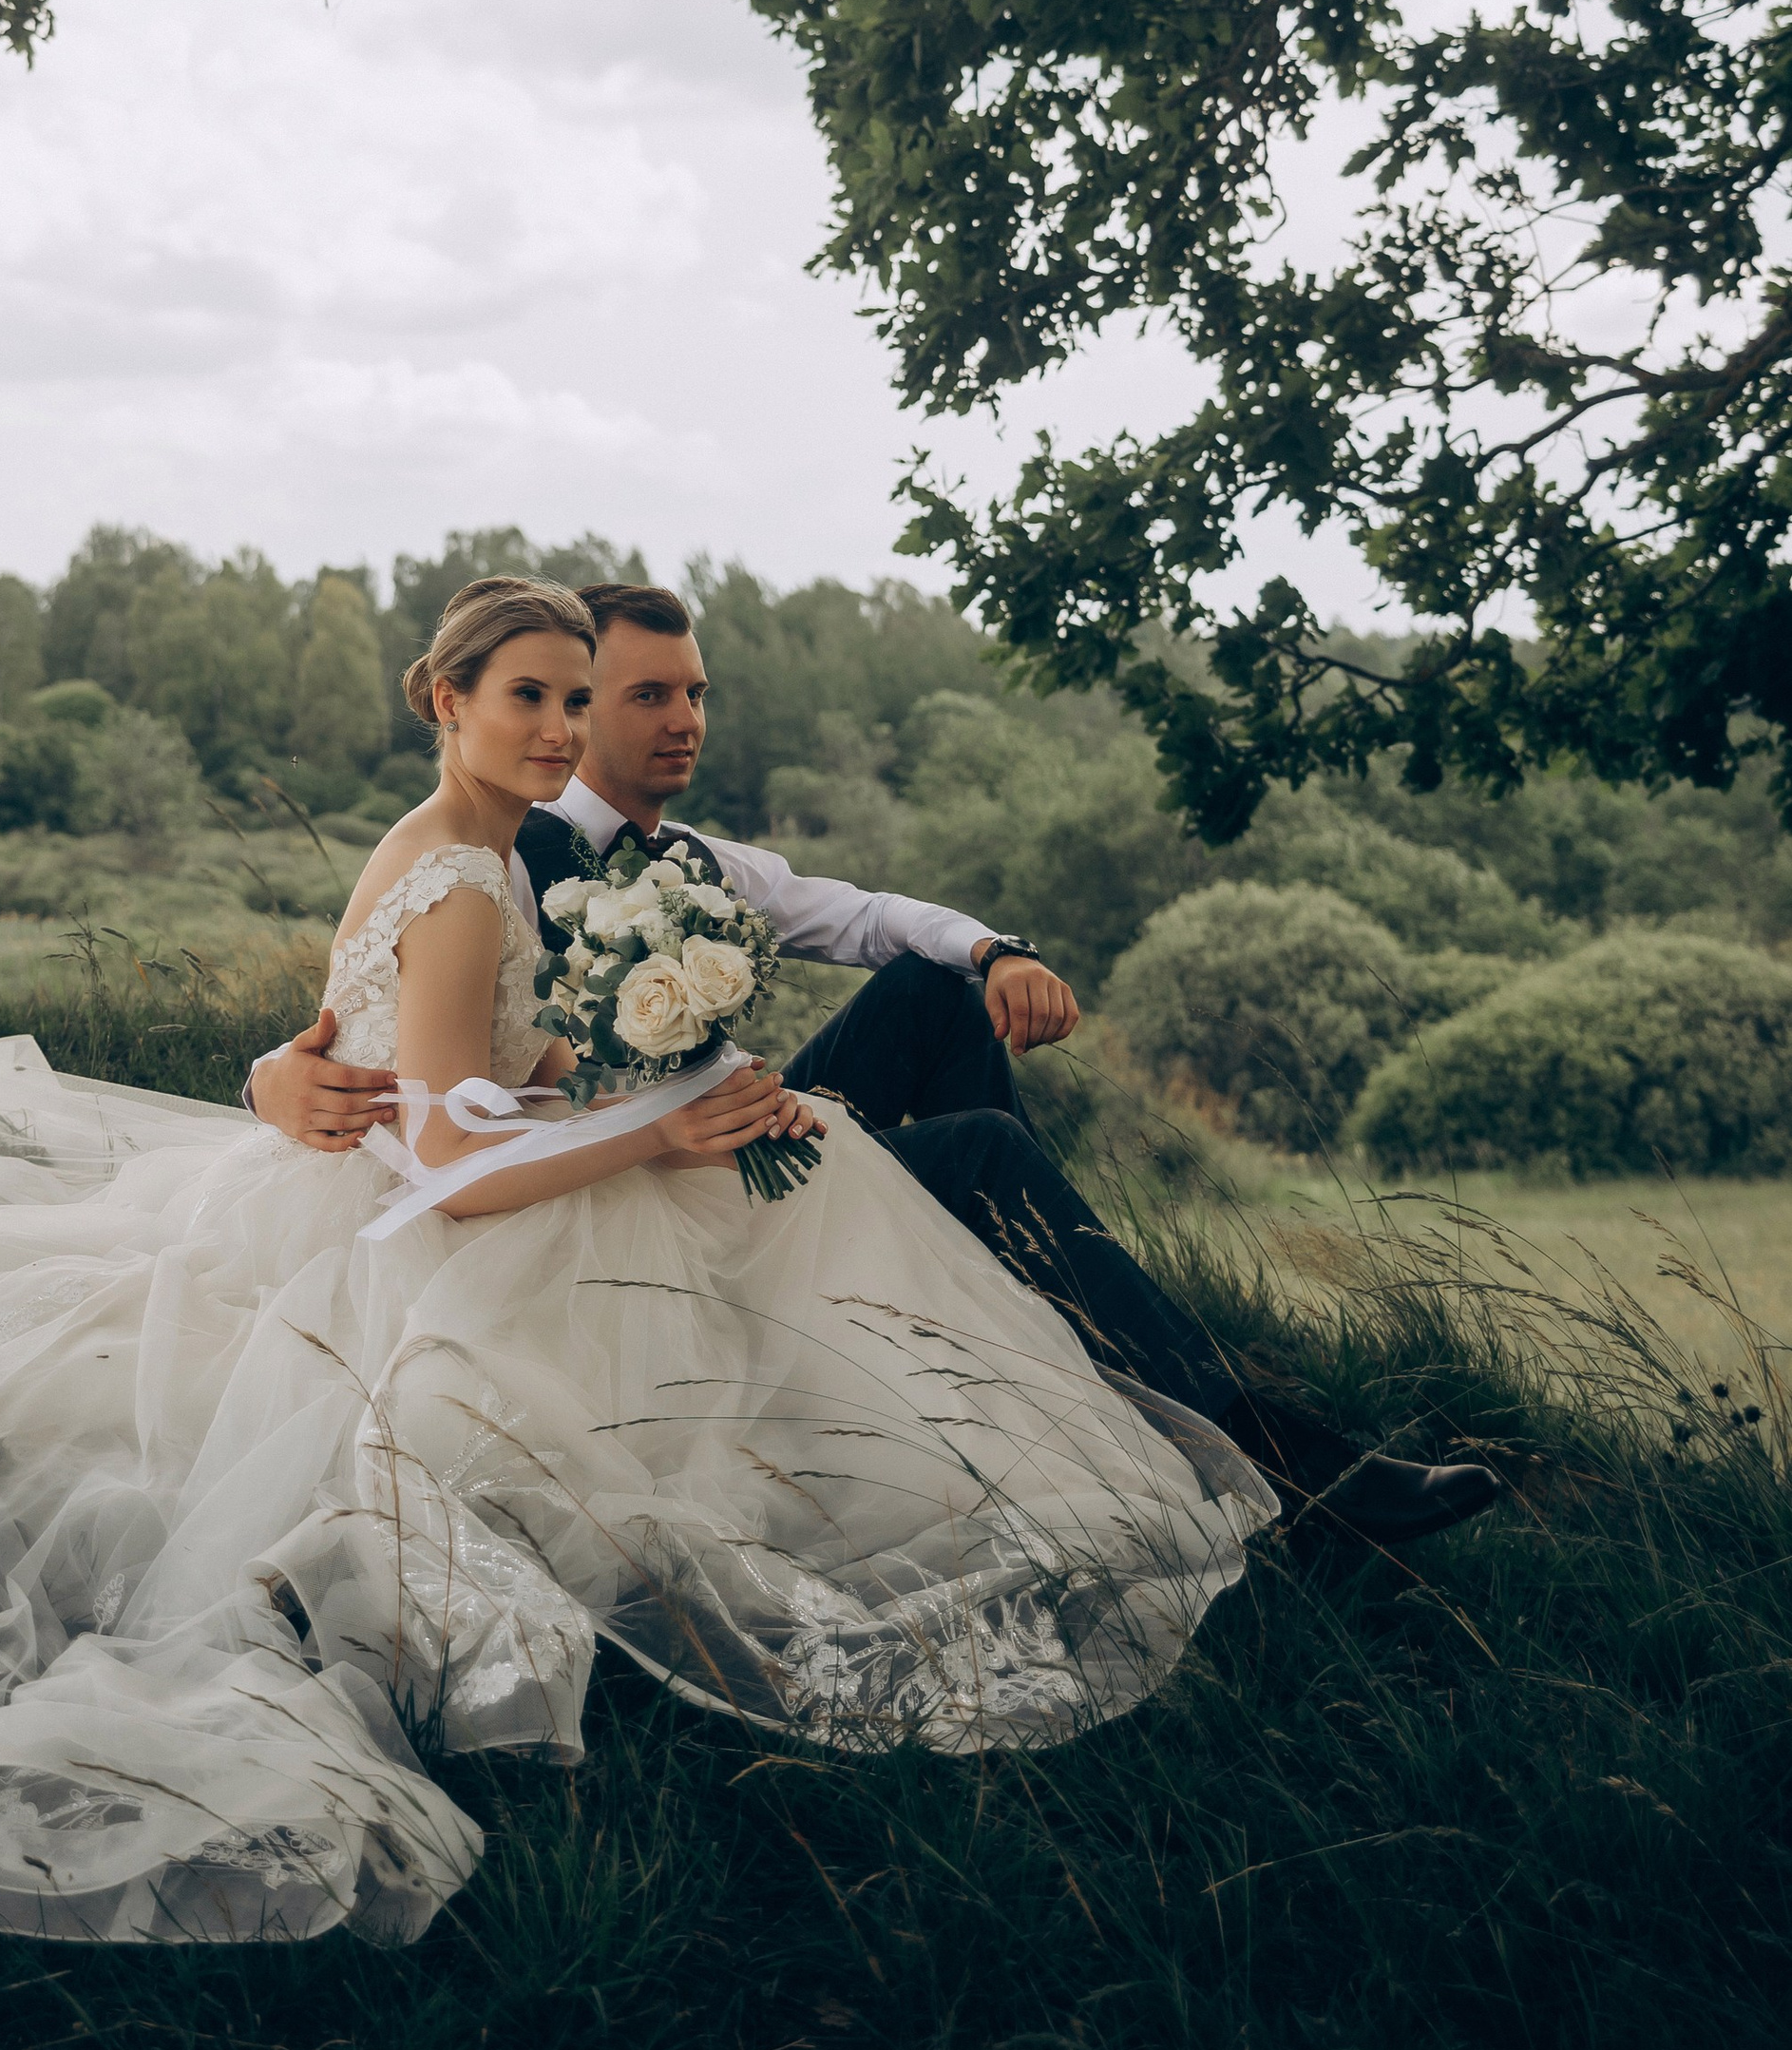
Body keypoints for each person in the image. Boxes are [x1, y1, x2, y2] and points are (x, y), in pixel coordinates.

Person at [0, 578, 1279, 1965]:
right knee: (809, 1216)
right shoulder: (478, 868)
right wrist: (646, 1126)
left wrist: (536, 1079)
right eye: (534, 697)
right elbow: (438, 1143)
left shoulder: (526, 850)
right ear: (453, 704)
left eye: (576, 699)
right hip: (463, 1216)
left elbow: (456, 1056)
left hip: (454, 1174)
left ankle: (1139, 1396)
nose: (564, 725)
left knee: (872, 1143)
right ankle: (1160, 1427)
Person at [250, 581, 1501, 1553]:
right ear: (455, 700)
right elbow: (399, 1026)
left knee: (930, 988)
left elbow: (851, 917)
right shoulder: (505, 857)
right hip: (618, 1185)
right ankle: (1269, 1457)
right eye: (629, 696)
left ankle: (1058, 1352)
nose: (669, 719)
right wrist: (275, 1077)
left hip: (674, 1127)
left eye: (678, 694)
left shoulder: (664, 848)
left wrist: (997, 951)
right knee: (984, 1155)